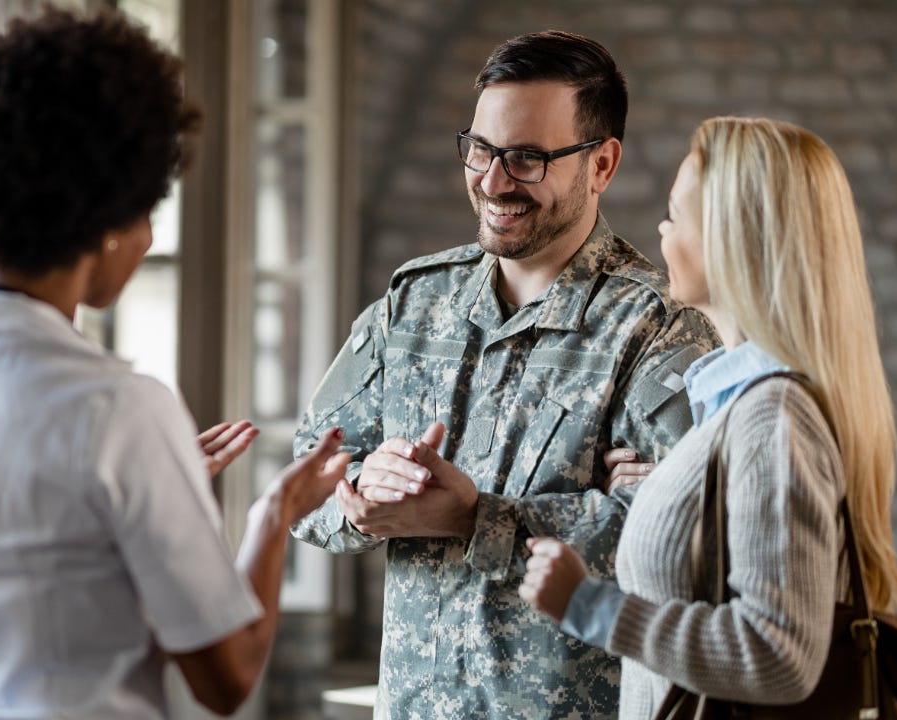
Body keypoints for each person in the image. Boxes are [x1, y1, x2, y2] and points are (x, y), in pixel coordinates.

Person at [0, 8, 348, 719]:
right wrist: (276, 513)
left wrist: (148, 493)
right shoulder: (119, 410)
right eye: (147, 208)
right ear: (106, 213)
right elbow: (228, 676)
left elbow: (14, 572)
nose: (148, 237)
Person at [291, 31, 718, 718]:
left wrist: (478, 520)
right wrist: (359, 493)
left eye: (526, 158)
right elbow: (305, 478)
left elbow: (688, 542)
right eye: (481, 150)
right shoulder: (412, 303)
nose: (492, 182)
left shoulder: (658, 328)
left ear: (601, 164)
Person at [519, 116, 897, 719]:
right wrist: (672, 493)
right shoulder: (741, 407)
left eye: (676, 215)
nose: (659, 229)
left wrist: (590, 606)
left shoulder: (774, 417)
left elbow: (778, 654)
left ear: (733, 238)